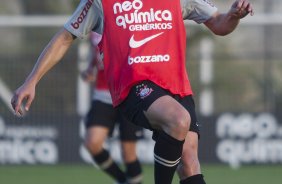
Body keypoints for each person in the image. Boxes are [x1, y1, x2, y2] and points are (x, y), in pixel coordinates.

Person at [11, 0, 254, 183]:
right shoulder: (101, 3)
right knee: (179, 120)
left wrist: (234, 16)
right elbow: (65, 37)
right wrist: (31, 81)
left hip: (177, 87)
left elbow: (220, 25)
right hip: (135, 88)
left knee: (189, 163)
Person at [81, 32, 143, 184]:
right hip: (103, 94)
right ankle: (122, 180)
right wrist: (90, 68)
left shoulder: (127, 18)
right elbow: (97, 52)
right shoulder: (95, 22)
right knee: (92, 143)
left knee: (128, 153)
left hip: (128, 96)